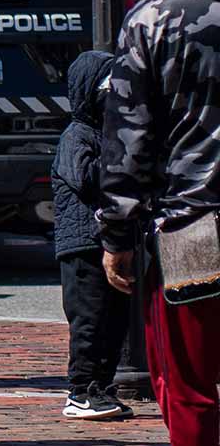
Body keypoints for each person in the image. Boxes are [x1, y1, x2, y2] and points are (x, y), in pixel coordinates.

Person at [101, 0, 220, 446]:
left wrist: (116, 231)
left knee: (191, 382)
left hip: (191, 223)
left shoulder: (152, 20)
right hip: (193, 214)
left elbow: (129, 139)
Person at [54, 48, 133, 420]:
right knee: (89, 319)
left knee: (114, 321)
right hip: (83, 244)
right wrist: (120, 164)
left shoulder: (108, 134)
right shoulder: (77, 135)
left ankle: (102, 386)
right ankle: (81, 390)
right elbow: (85, 179)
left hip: (109, 241)